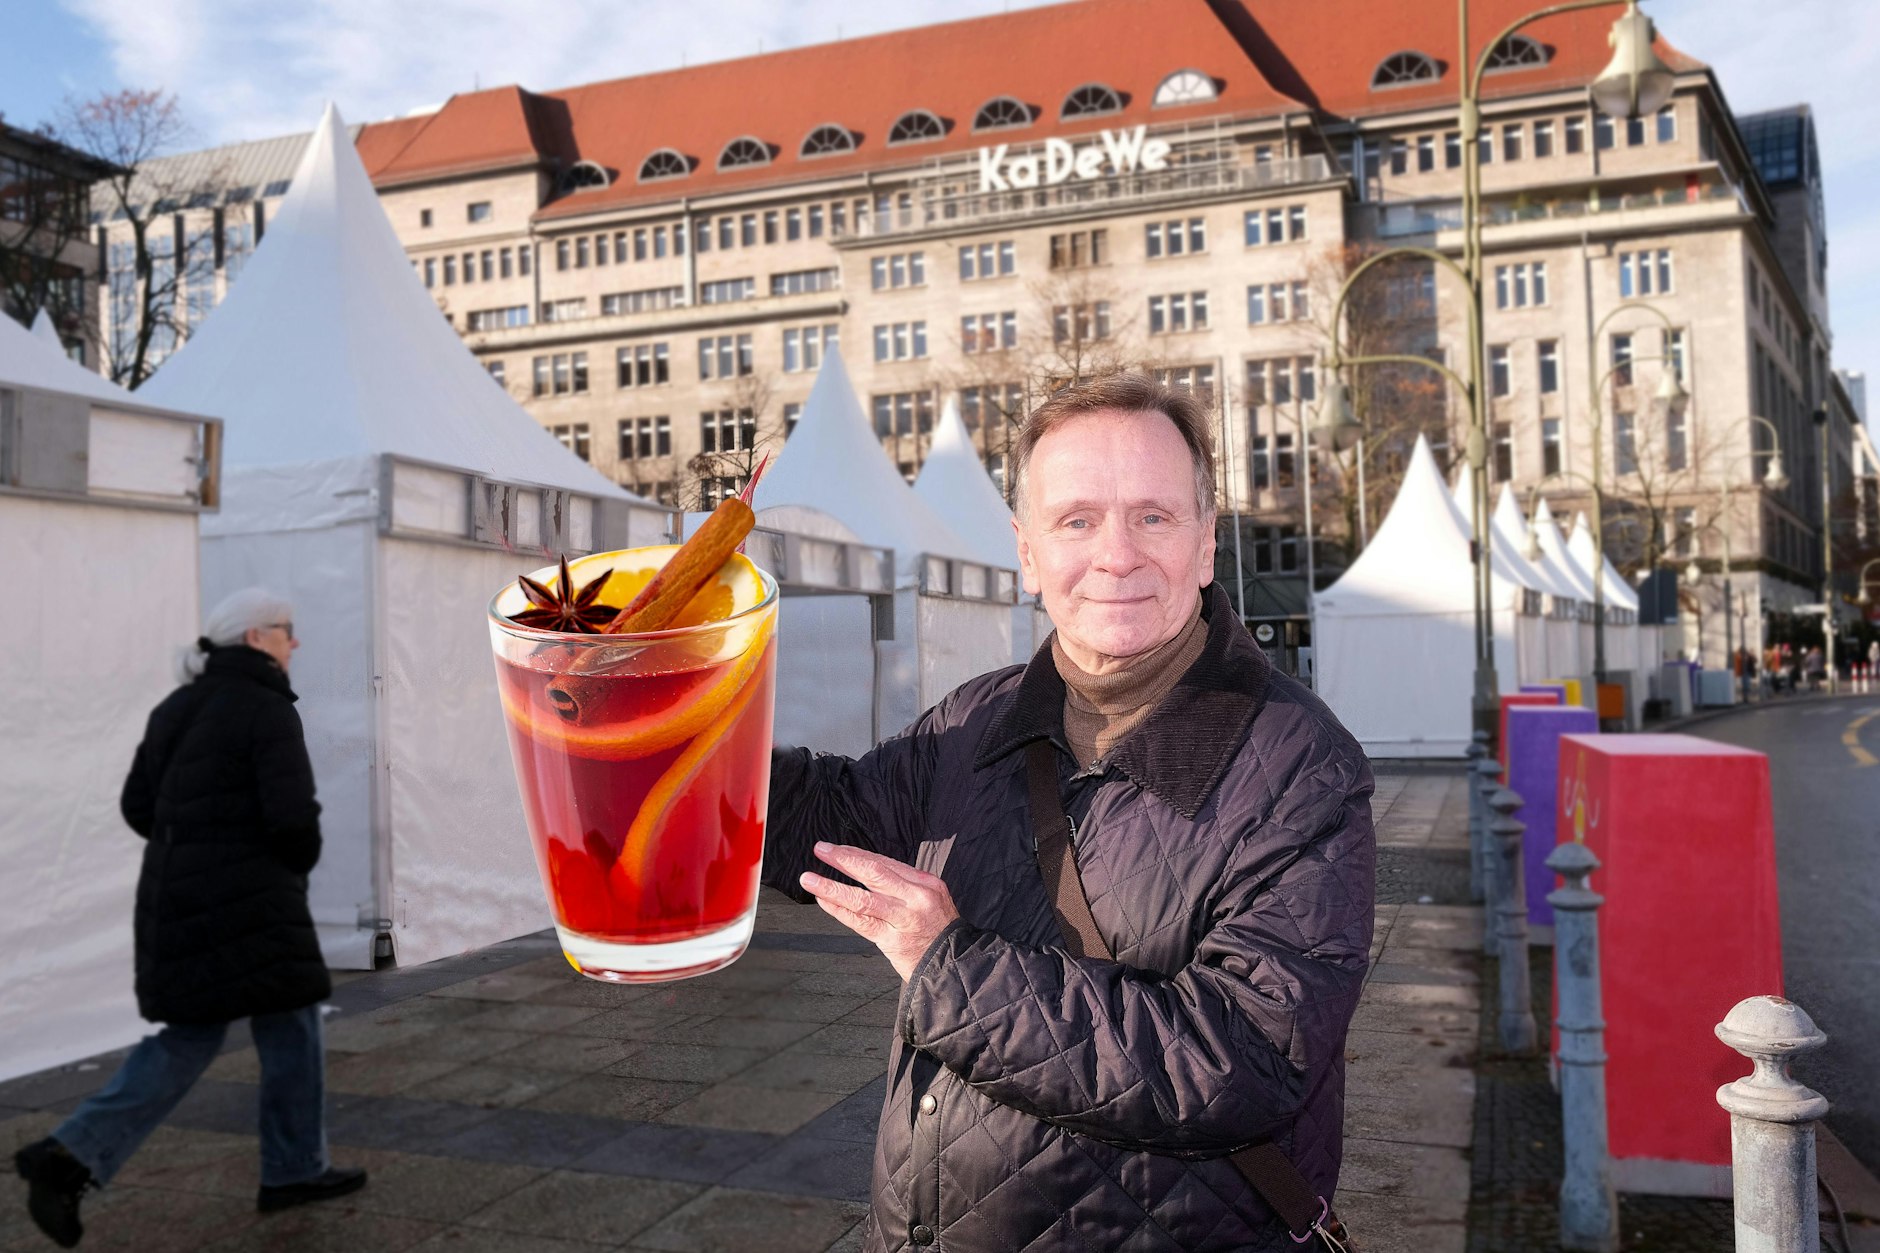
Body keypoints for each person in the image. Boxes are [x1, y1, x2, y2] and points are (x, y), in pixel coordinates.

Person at [762, 375, 1375, 1251]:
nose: (1116, 555)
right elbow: (833, 818)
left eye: (1153, 516)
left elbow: (1239, 1059)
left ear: (1206, 543)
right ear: (1028, 553)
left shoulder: (1301, 766)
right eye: (1077, 520)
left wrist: (950, 969)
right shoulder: (978, 717)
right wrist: (678, 743)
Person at [15, 589, 364, 1249]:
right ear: (257, 637)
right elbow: (293, 818)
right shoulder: (266, 707)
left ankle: (288, 1166)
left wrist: (197, 848)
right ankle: (76, 1153)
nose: (295, 642)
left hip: (178, 897)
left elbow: (137, 806)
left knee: (226, 1028)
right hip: (255, 903)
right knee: (262, 1026)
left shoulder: (176, 705)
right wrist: (283, 864)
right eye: (287, 630)